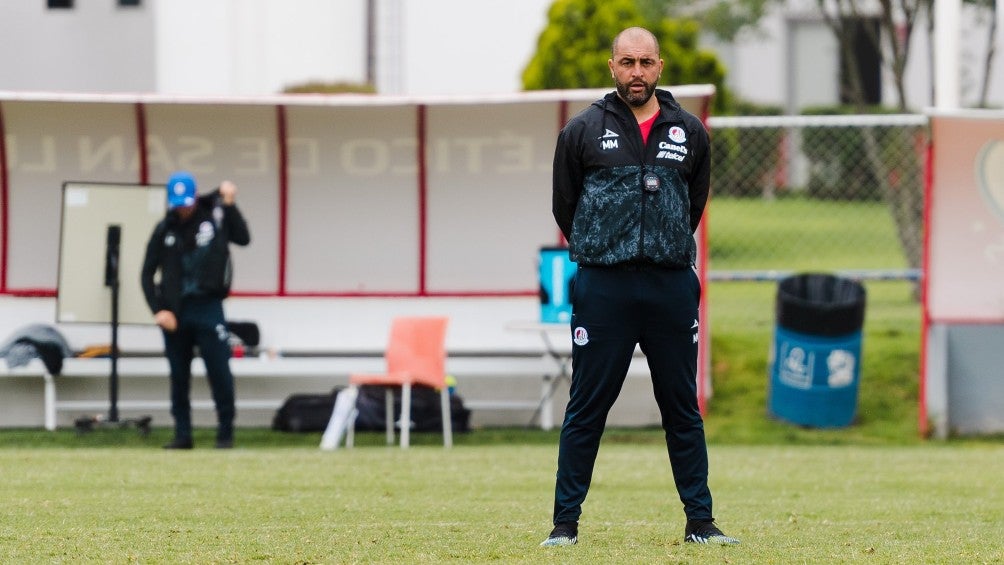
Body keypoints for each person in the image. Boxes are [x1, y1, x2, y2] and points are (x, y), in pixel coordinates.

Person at [540, 27, 739, 547]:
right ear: (612, 67)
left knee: (680, 407)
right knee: (587, 406)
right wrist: (609, 245)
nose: (636, 72)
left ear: (660, 66)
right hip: (603, 287)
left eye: (645, 62)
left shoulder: (689, 132)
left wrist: (660, 245)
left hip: (670, 287)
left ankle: (702, 522)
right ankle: (565, 526)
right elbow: (566, 206)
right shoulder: (582, 131)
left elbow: (693, 205)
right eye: (627, 62)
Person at [141, 171, 251, 449]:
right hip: (175, 314)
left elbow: (243, 237)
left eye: (187, 202)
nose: (183, 208)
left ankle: (225, 433)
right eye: (177, 203)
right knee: (179, 376)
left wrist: (230, 204)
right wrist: (158, 310)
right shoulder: (164, 228)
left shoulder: (214, 217)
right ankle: (182, 434)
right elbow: (146, 273)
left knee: (219, 371)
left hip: (208, 307)